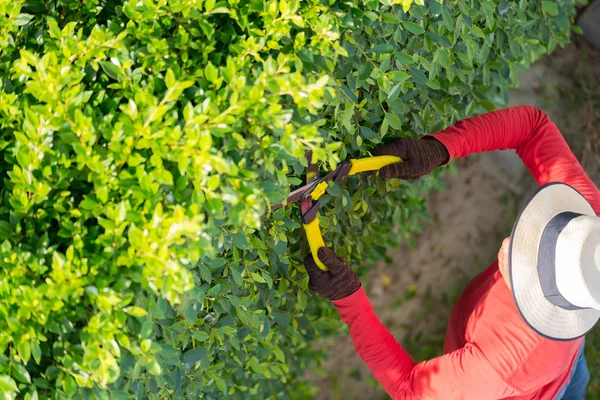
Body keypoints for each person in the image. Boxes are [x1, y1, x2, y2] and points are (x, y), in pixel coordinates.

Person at [304, 106, 599, 399]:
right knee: (575, 381)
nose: (509, 245)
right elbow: (533, 128)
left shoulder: (497, 365)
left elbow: (408, 389)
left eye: (524, 260)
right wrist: (441, 148)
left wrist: (348, 297)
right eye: (533, 236)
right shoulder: (585, 227)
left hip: (529, 384)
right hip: (569, 364)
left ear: (539, 302)